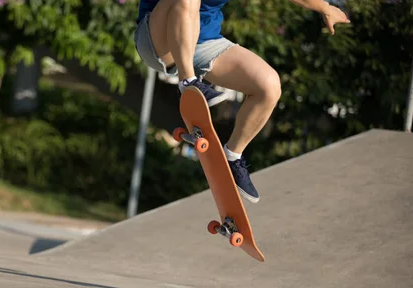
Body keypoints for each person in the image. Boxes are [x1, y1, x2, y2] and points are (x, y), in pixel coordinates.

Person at [133, 0, 350, 203]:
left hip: (203, 40)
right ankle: (188, 83)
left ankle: (232, 156)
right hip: (158, 38)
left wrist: (325, 8)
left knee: (268, 85)